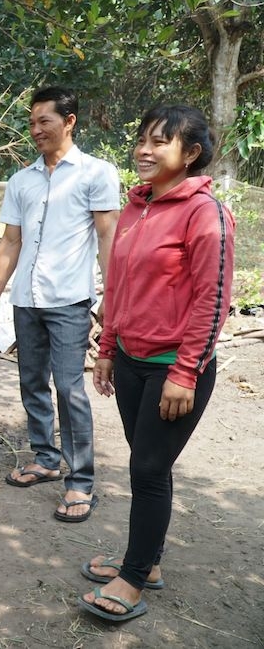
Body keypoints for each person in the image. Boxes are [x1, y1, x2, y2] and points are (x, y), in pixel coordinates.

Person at [79, 104, 235, 622]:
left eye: (160, 142)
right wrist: (106, 350)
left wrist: (185, 371)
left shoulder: (205, 213)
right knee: (150, 464)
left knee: (146, 468)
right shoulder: (136, 207)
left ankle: (134, 575)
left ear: (190, 155)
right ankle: (147, 562)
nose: (144, 150)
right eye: (142, 138)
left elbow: (211, 298)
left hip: (175, 368)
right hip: (129, 360)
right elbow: (119, 286)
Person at [0, 85, 120, 523]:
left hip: (69, 301)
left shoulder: (96, 174)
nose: (36, 130)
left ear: (70, 122)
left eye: (45, 121)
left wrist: (111, 299)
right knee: (31, 382)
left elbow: (107, 238)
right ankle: (45, 458)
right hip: (26, 301)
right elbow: (11, 241)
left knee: (70, 388)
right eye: (32, 122)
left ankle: (80, 482)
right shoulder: (22, 180)